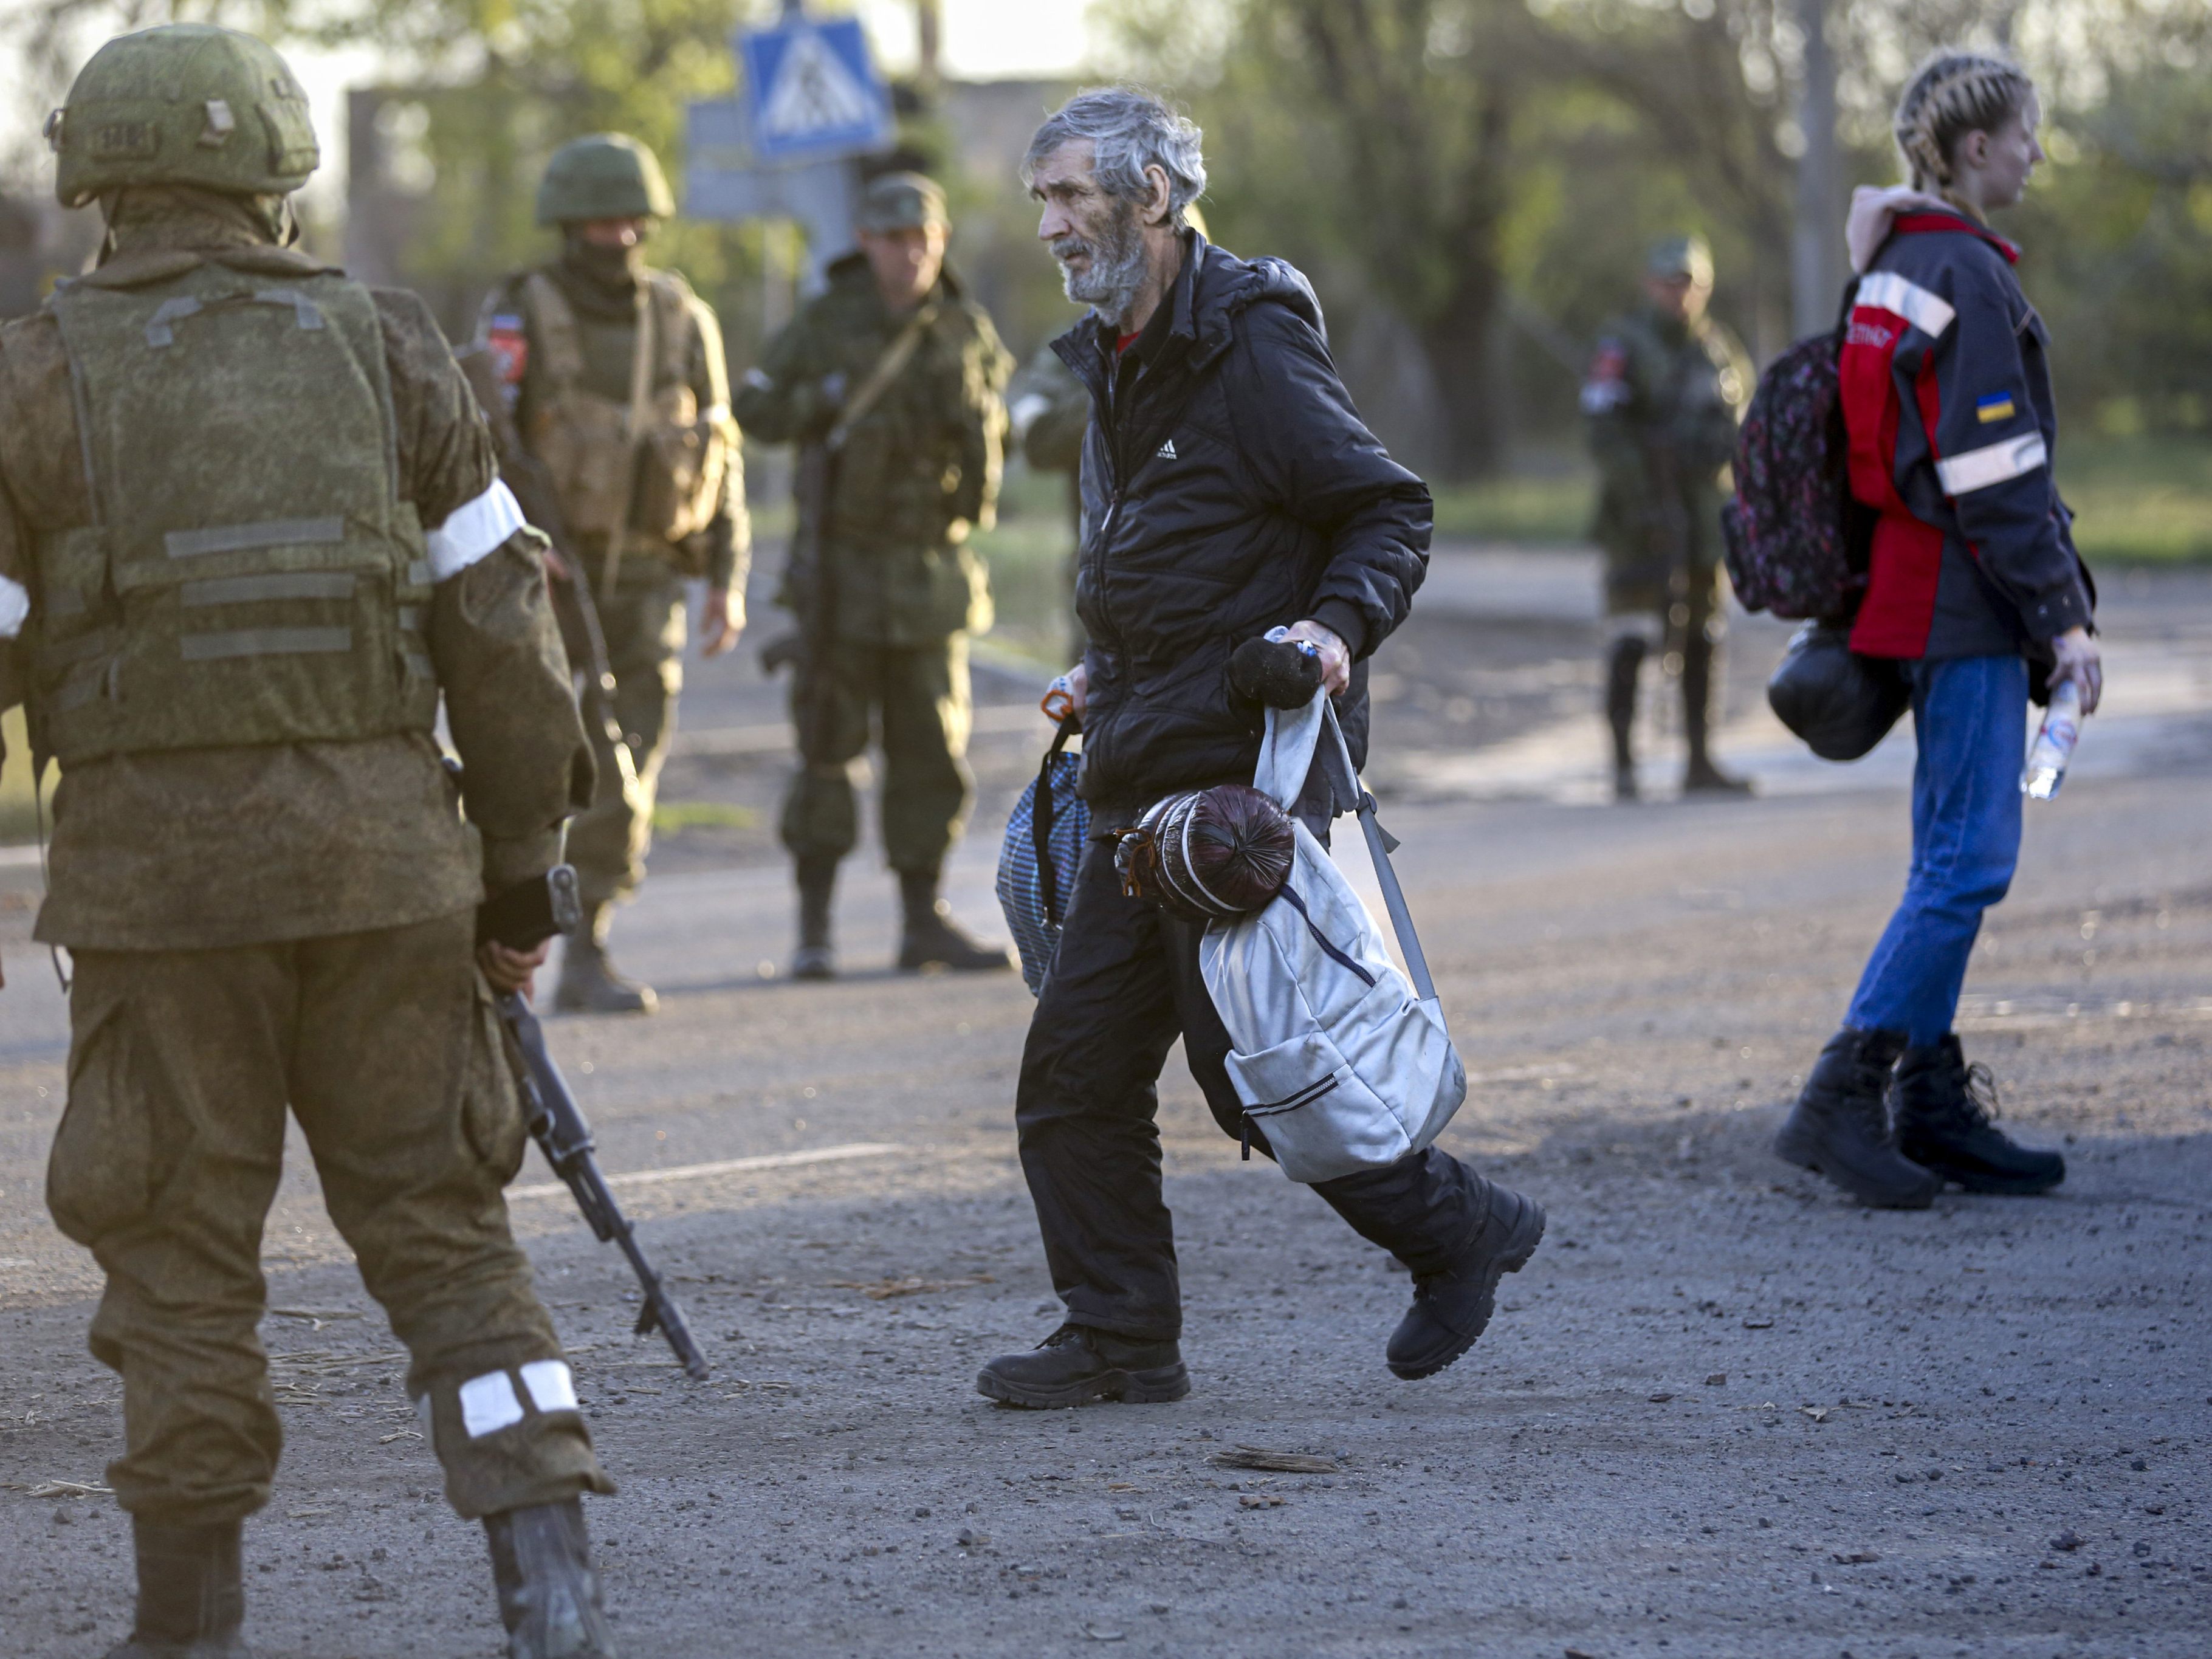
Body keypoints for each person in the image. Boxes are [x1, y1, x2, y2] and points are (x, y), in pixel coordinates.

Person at [4, 25, 619, 1658]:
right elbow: (505, 637)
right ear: (278, 176)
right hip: (389, 885)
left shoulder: (32, 377)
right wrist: (517, 875)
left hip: (155, 900)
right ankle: (549, 1590)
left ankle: (185, 1626)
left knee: (180, 1259)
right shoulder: (391, 344)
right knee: (444, 1230)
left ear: (96, 183)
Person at [977, 87, 1545, 1409]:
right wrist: (1100, 671)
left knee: (1259, 1081)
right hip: (1135, 767)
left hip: (1238, 791)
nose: (1050, 225)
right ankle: (1121, 1339)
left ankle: (1462, 1232)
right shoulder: (1113, 354)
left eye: (1070, 196)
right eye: (1043, 200)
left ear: (1153, 197)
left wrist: (1336, 633)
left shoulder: (1247, 345)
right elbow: (1165, 561)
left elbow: (1384, 513)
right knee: (1073, 1079)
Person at [1774, 50, 2094, 1209]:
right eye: (2025, 136)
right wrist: (2067, 624)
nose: (2036, 154)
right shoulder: (1962, 267)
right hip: (1962, 607)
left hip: (1908, 601)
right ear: (1971, 150)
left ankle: (1932, 1100)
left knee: (1944, 858)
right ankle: (1840, 1098)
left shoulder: (1895, 267)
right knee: (1970, 861)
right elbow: (1999, 477)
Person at [476, 132, 750, 1015]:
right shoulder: (521, 313)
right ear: (568, 224)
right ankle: (513, 942)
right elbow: (479, 444)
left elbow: (720, 451)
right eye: (600, 219)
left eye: (631, 217)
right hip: (547, 580)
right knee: (542, 765)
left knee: (631, 759)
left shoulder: (682, 316)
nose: (618, 235)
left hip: (647, 583)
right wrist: (519, 542)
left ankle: (588, 941)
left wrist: (727, 576)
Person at [735, 171, 1015, 980]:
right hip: (842, 580)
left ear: (942, 240)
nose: (911, 254)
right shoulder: (827, 322)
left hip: (931, 580)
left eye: (924, 239)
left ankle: (921, 921)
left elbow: (996, 424)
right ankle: (814, 929)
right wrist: (818, 401)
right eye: (894, 239)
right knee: (826, 750)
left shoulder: (965, 326)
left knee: (932, 757)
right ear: (866, 242)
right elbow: (755, 410)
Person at [1582, 235, 1754, 799]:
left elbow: (1743, 427)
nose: (1679, 294)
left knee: (1704, 631)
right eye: (1668, 282)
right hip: (1638, 518)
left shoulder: (1719, 349)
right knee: (1632, 633)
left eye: (1689, 283)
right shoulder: (1622, 346)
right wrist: (1644, 500)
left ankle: (1700, 761)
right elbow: (1604, 432)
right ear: (1648, 283)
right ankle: (1624, 767)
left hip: (1704, 517)